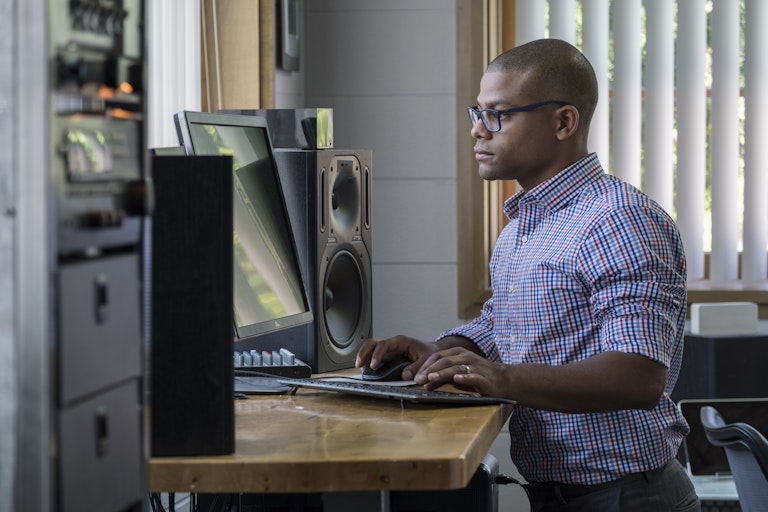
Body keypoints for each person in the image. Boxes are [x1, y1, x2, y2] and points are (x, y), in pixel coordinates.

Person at [355, 39, 699, 512]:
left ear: (564, 122)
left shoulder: (619, 221)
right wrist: (444, 351)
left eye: (499, 115)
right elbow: (509, 322)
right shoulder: (527, 222)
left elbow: (638, 375)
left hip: (628, 498)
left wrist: (504, 379)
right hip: (563, 496)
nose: (477, 131)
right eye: (477, 112)